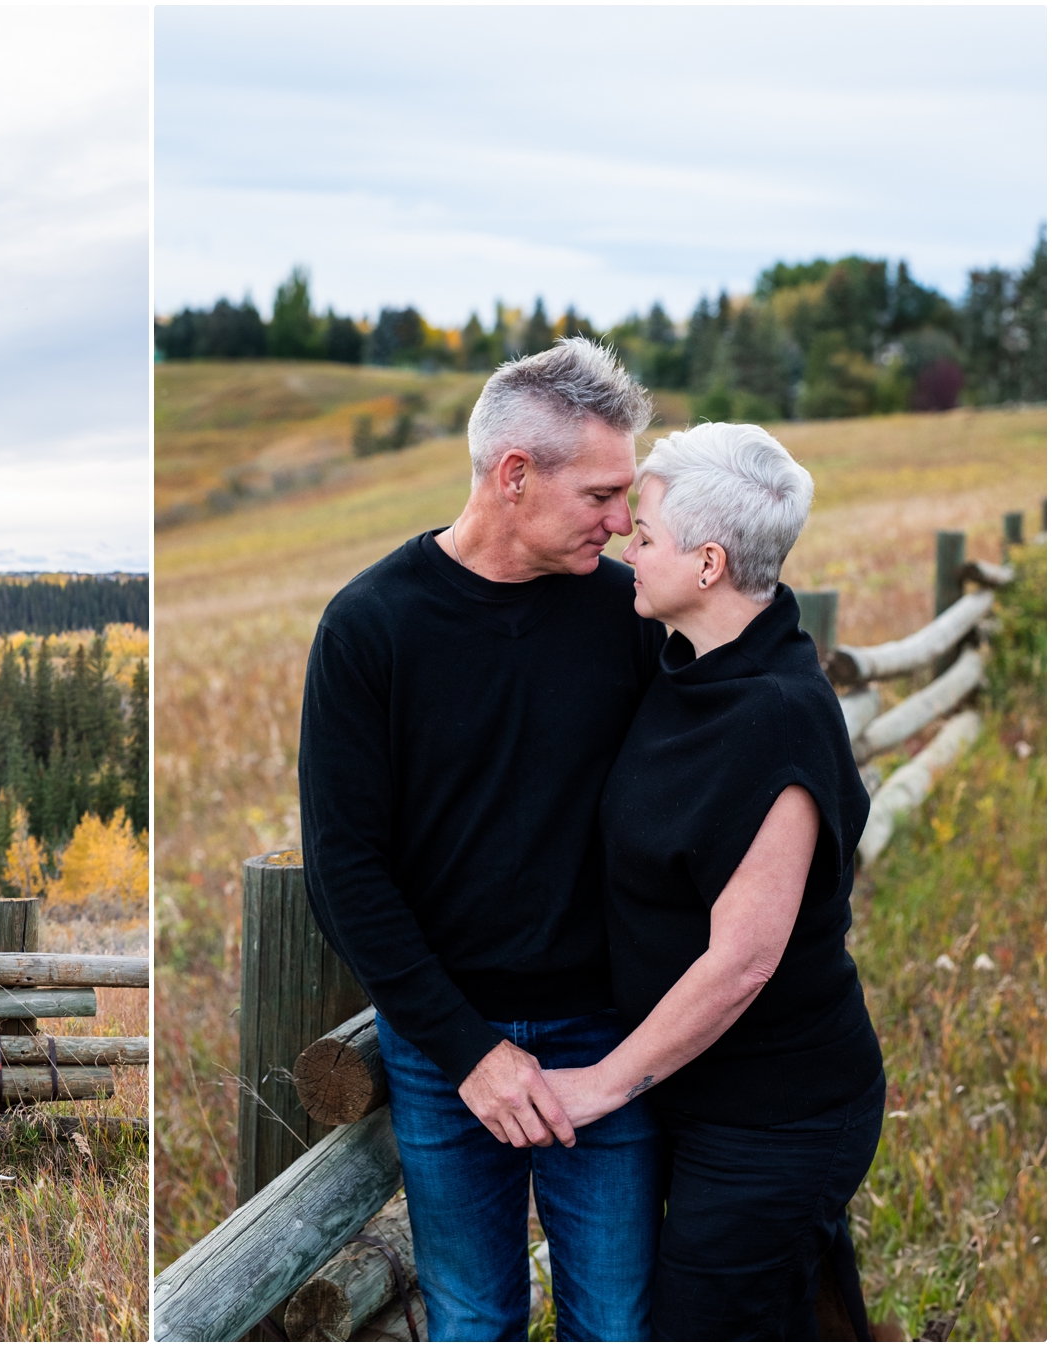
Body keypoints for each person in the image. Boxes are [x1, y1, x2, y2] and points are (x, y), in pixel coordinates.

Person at [298, 337, 666, 1340]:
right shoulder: (370, 628)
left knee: (620, 1323)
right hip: (443, 1045)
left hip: (610, 1033)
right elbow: (346, 874)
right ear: (513, 476)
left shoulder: (629, 614)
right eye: (600, 493)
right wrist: (468, 1052)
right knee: (473, 1322)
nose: (622, 520)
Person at [545, 422, 884, 1340]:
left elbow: (742, 961)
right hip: (701, 1103)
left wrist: (600, 1085)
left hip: (778, 1118)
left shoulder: (777, 715)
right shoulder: (689, 664)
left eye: (645, 531)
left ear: (707, 563)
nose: (625, 539)